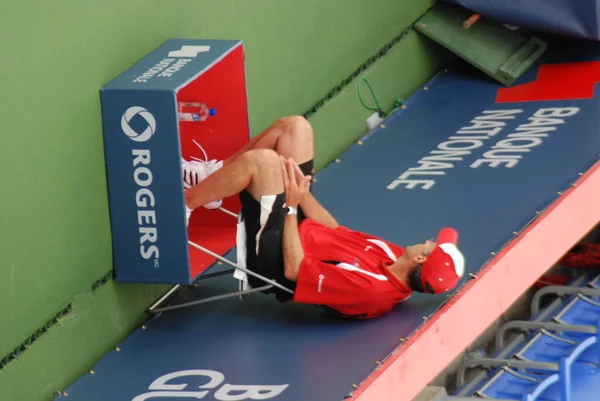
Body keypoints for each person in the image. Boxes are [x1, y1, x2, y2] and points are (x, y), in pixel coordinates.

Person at [181, 116, 465, 319]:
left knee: (264, 160)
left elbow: (294, 270)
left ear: (419, 260)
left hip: (275, 257)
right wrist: (301, 193)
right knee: (295, 128)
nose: (428, 240)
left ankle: (186, 202)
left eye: (431, 246)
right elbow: (335, 229)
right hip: (296, 223)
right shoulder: (395, 255)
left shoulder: (369, 291)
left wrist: (290, 207)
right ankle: (211, 179)